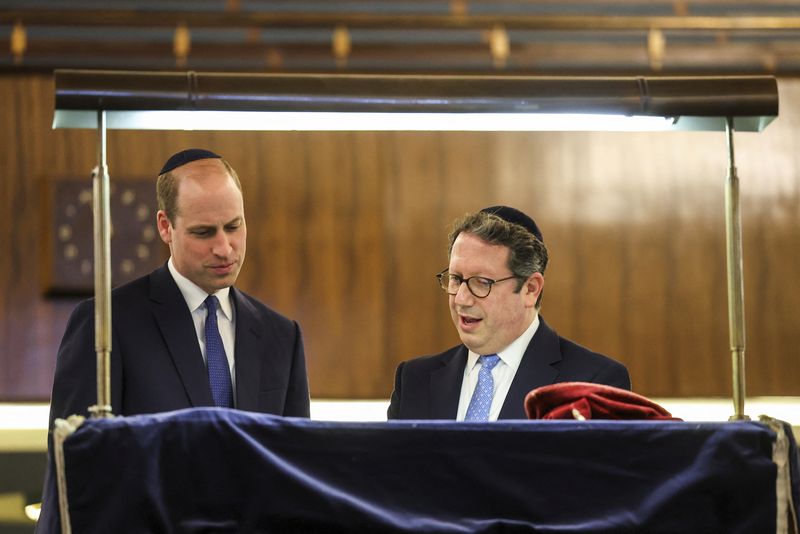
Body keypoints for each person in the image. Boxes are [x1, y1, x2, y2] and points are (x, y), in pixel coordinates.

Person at [47, 148, 310, 425]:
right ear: (165, 226)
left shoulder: (282, 337)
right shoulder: (106, 325)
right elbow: (73, 459)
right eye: (203, 232)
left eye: (233, 227)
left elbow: (297, 459)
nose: (224, 248)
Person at [387, 206, 630, 421]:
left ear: (530, 289)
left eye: (481, 282)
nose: (461, 298)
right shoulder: (413, 381)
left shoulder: (593, 384)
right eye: (456, 279)